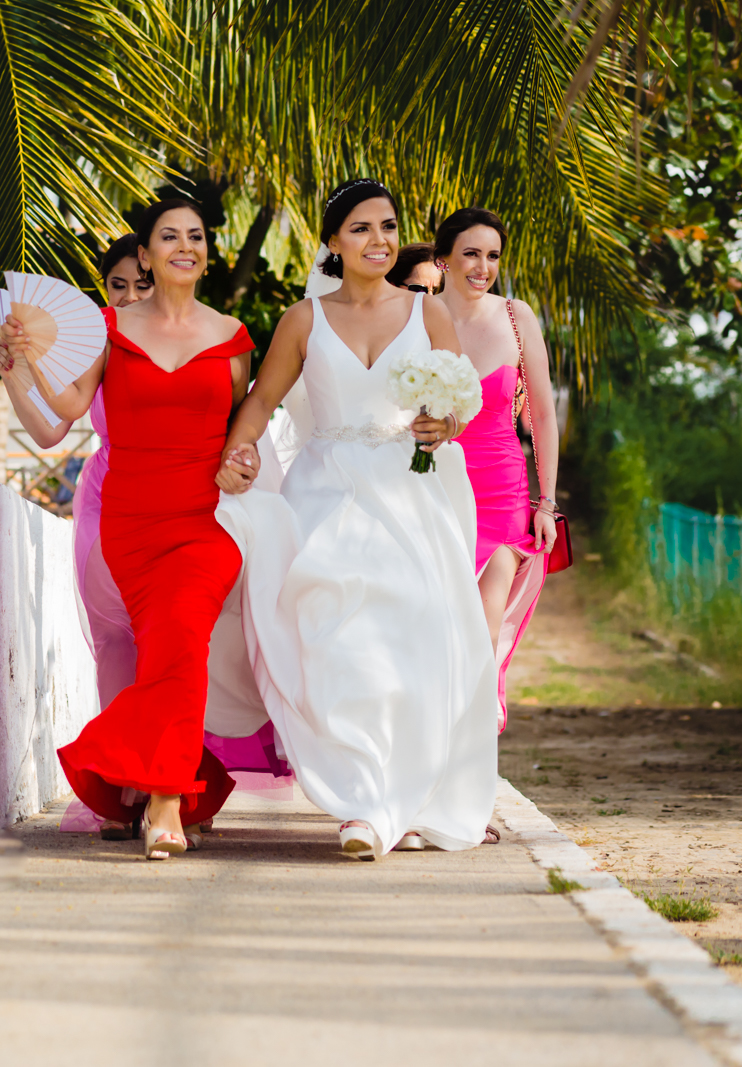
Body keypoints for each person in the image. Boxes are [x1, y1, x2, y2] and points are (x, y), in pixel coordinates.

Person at [215, 178, 499, 859]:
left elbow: (466, 401)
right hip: (326, 495)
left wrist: (445, 422)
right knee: (336, 644)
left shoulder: (428, 313)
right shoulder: (303, 321)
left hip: (409, 496)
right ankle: (360, 802)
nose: (380, 240)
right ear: (335, 242)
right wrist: (238, 446)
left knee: (409, 645)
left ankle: (396, 798)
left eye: (389, 227)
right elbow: (261, 400)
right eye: (363, 228)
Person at [0, 236, 295, 845]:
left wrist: (242, 465)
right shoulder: (102, 339)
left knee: (175, 644)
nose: (131, 294)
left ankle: (151, 781)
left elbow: (242, 423)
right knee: (118, 644)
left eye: (141, 283)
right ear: (104, 293)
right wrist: (17, 375)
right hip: (112, 507)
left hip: (191, 511)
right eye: (117, 285)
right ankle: (131, 794)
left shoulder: (208, 340)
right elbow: (54, 429)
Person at [434, 208, 558, 733]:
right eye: (471, 253)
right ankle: (429, 772)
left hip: (503, 492)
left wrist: (546, 502)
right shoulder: (416, 317)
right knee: (437, 633)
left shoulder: (515, 316)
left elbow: (543, 414)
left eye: (492, 256)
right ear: (443, 259)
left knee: (482, 634)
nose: (483, 266)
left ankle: (470, 785)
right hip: (434, 490)